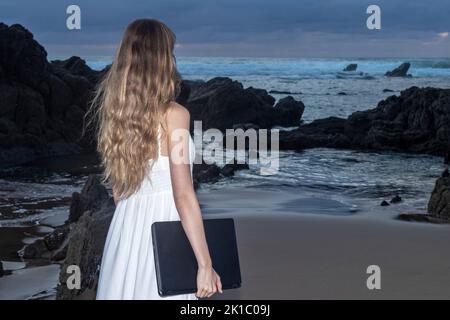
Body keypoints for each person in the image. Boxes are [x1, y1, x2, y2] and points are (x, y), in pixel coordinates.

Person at [91, 18, 222, 300]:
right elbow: (183, 194)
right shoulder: (175, 115)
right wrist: (205, 264)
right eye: (170, 52)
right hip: (165, 232)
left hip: (125, 234)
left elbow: (118, 193)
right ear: (161, 60)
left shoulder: (117, 115)